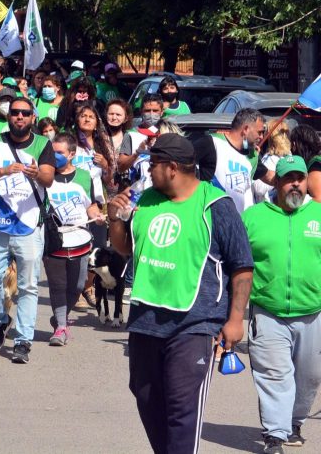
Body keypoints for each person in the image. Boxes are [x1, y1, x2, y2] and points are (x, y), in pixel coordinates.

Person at [107, 133, 253, 454]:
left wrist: (236, 320)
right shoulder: (143, 200)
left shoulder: (216, 205)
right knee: (145, 397)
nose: (148, 171)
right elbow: (125, 250)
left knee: (182, 411)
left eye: (154, 164)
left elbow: (242, 266)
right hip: (145, 322)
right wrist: (114, 220)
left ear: (172, 168)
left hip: (194, 325)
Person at [242, 156, 321, 452]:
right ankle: (275, 435)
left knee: (310, 376)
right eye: (289, 179)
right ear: (276, 182)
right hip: (268, 312)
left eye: (300, 178)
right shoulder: (252, 217)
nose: (296, 184)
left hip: (314, 311)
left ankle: (295, 420)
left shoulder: (319, 215)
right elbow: (235, 263)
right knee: (274, 374)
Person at [0, 95, 55, 364]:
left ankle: (23, 340)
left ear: (33, 118)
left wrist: (35, 174)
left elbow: (49, 178)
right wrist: (4, 170)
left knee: (28, 286)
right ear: (8, 117)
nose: (19, 117)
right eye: (15, 113)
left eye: (24, 113)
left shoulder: (43, 144)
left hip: (30, 226)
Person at [44, 132, 104, 346]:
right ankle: (61, 326)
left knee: (77, 285)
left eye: (59, 153)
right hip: (54, 240)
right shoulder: (45, 176)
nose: (54, 156)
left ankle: (60, 316)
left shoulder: (84, 176)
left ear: (71, 154)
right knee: (57, 286)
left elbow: (91, 204)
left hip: (80, 239)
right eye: (52, 152)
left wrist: (95, 215)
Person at [193, 107, 267, 213]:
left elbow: (268, 176)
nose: (261, 137)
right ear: (246, 130)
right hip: (212, 219)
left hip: (238, 223)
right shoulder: (212, 143)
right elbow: (182, 161)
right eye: (259, 132)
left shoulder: (251, 156)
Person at [118, 94, 166, 173]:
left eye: (155, 111)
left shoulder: (168, 132)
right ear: (141, 112)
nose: (151, 114)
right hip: (139, 183)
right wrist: (137, 153)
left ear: (162, 112)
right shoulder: (131, 135)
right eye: (147, 111)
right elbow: (121, 167)